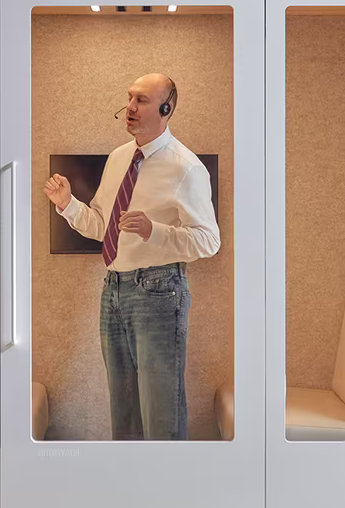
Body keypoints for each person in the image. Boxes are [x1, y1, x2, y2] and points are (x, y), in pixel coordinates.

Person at [43, 73, 219, 440]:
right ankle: (129, 492)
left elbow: (209, 241)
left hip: (159, 293)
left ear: (166, 109)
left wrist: (153, 230)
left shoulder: (186, 167)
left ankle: (167, 495)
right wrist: (68, 205)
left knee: (161, 414)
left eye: (141, 100)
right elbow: (102, 228)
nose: (130, 108)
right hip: (113, 292)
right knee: (122, 412)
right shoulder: (118, 158)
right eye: (129, 98)